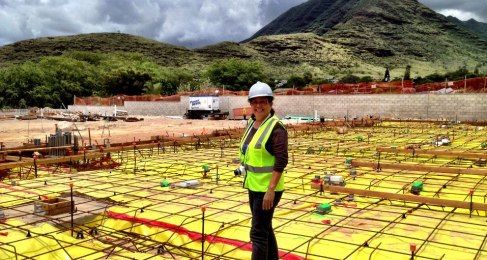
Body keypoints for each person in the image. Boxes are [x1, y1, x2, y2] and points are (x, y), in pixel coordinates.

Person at [239, 81, 288, 260]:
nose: (258, 105)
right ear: (251, 104)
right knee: (265, 228)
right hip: (254, 185)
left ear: (270, 103)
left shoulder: (276, 128)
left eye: (263, 101)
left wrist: (270, 190)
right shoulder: (253, 123)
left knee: (258, 233)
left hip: (267, 189)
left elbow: (281, 161)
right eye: (255, 102)